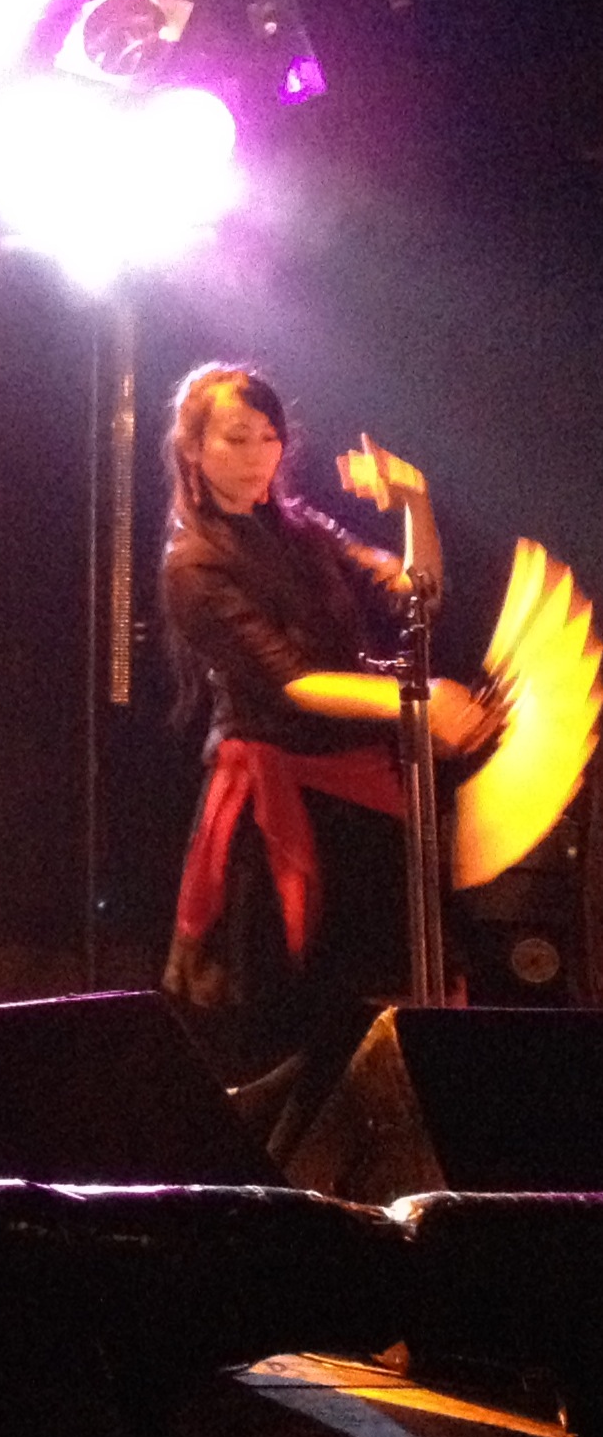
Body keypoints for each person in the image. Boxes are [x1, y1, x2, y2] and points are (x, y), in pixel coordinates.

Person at [157, 363, 494, 1151]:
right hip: (275, 808)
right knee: (290, 1016)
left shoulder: (305, 531)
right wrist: (414, 699)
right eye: (236, 439)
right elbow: (293, 682)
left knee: (388, 999)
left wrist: (415, 504)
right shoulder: (193, 564)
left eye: (268, 438)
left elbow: (418, 595)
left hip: (356, 794)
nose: (257, 455)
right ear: (194, 449)